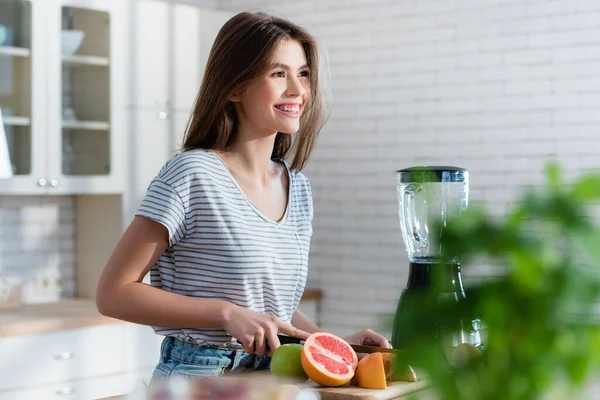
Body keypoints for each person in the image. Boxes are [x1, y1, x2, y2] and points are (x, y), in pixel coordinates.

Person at [96, 11, 391, 382]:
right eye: (278, 73)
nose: (297, 90)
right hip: (199, 376)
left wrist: (329, 344)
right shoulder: (192, 174)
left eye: (302, 74)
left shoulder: (297, 187)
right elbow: (113, 293)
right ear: (234, 88)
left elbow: (269, 310)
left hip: (276, 376)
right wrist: (225, 313)